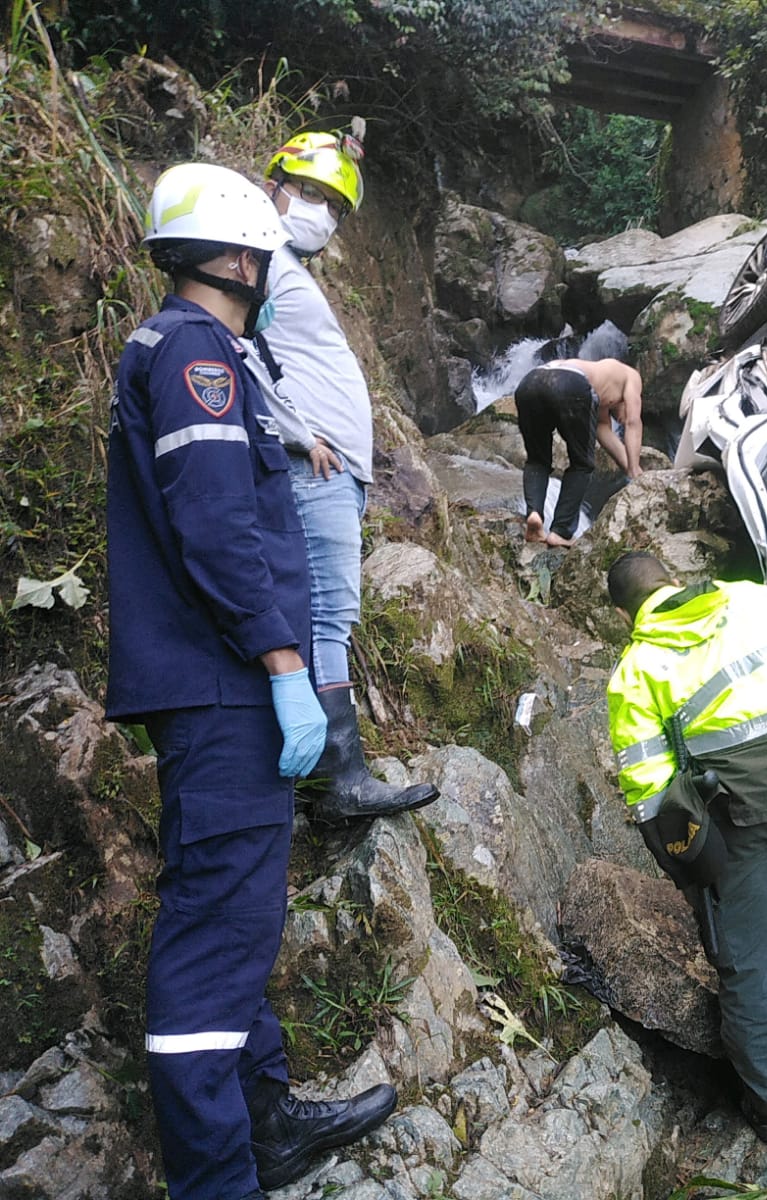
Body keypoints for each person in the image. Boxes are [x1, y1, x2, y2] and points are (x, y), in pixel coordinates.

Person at [108, 161, 397, 1199]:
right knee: (212, 933)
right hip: (222, 683)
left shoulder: (185, 346)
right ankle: (217, 1175)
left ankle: (264, 1113)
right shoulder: (199, 357)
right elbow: (218, 527)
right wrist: (285, 666)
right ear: (235, 256)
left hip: (210, 683)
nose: (272, 269)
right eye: (265, 256)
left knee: (239, 914)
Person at [604, 551, 767, 1142]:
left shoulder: (636, 668)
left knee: (744, 959)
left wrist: (685, 868)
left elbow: (649, 791)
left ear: (627, 615)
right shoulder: (756, 598)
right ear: (671, 578)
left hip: (733, 813)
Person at [253, 130, 438, 820]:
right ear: (272, 183)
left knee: (324, 612)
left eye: (333, 202)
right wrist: (301, 434)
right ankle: (341, 779)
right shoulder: (257, 254)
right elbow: (235, 348)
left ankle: (322, 772)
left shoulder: (286, 263)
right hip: (316, 468)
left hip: (337, 473)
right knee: (330, 614)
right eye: (308, 192)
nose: (319, 210)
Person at [515, 356, 644, 547]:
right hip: (568, 384)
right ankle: (561, 531)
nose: (621, 421)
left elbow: (603, 430)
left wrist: (631, 469)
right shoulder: (631, 375)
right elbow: (633, 422)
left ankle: (534, 516)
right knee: (582, 464)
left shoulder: (601, 381)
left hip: (530, 383)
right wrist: (636, 471)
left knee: (537, 460)